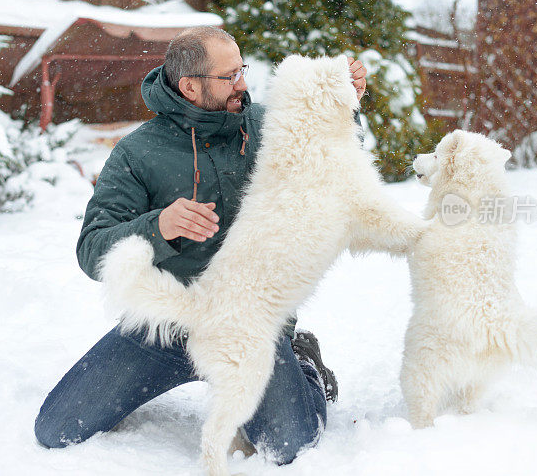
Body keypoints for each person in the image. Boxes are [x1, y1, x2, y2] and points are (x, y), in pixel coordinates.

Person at [34, 26, 367, 464]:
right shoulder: (138, 153)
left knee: (291, 445)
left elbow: (340, 161)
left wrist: (347, 107)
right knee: (56, 428)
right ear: (190, 86)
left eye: (242, 69)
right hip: (169, 319)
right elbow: (92, 251)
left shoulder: (268, 125)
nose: (243, 84)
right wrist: (159, 227)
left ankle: (305, 365)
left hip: (252, 325)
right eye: (229, 76)